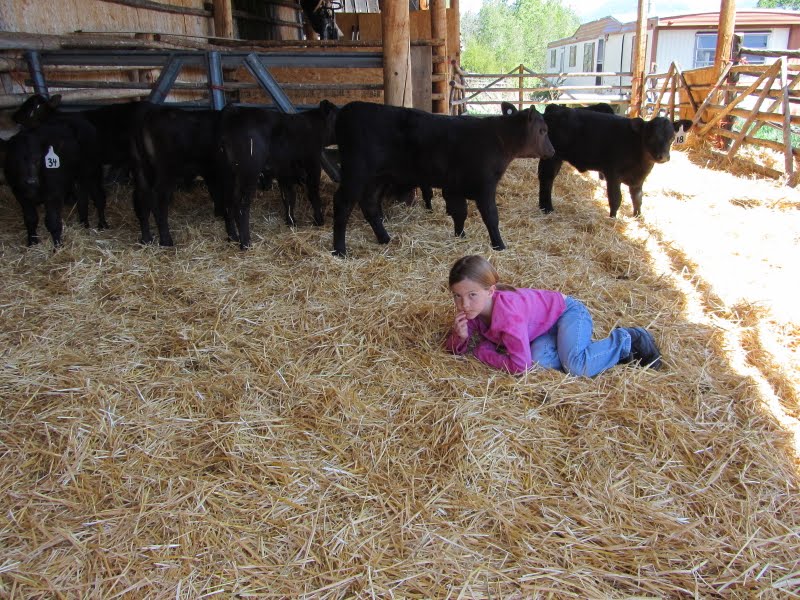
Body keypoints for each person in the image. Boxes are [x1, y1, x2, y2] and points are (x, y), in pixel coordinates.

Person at [445, 255, 661, 376]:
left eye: (472, 295)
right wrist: (459, 337)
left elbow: (520, 368)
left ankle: (629, 339)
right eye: (457, 296)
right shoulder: (473, 309)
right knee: (539, 363)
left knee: (576, 366)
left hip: (567, 313)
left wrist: (483, 353)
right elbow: (453, 350)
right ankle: (593, 353)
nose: (464, 304)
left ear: (490, 291)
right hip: (542, 330)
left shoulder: (509, 315)